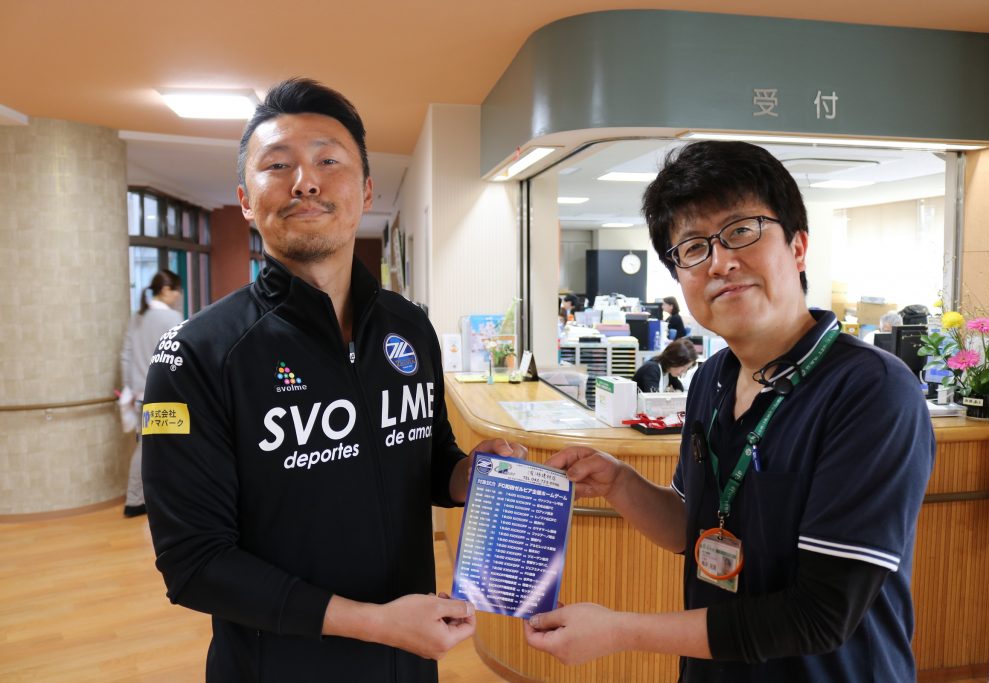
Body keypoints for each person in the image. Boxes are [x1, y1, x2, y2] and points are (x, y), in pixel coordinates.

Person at [141, 78, 525, 682]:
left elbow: (429, 459)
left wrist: (468, 476)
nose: (306, 182)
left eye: (328, 161)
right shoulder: (196, 355)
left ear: (366, 189)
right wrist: (375, 623)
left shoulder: (410, 326)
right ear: (245, 200)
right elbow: (193, 563)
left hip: (410, 659)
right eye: (278, 165)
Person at [524, 141, 935, 682]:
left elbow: (819, 616)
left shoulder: (872, 391)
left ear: (798, 246)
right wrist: (620, 482)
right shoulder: (712, 378)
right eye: (694, 247)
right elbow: (690, 527)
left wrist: (623, 631)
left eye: (741, 231)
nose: (720, 262)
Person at [118, 269, 183, 517]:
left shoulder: (137, 317)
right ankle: (136, 500)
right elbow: (179, 359)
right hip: (165, 396)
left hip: (140, 395)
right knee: (162, 448)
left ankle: (146, 498)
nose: (178, 296)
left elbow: (126, 355)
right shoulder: (172, 318)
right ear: (166, 290)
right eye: (177, 291)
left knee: (148, 446)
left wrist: (132, 387)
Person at [633, 338, 698, 392]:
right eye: (683, 367)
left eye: (687, 368)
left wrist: (675, 392)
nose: (684, 371)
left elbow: (679, 387)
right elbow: (653, 399)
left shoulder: (669, 370)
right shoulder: (652, 369)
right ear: (674, 360)